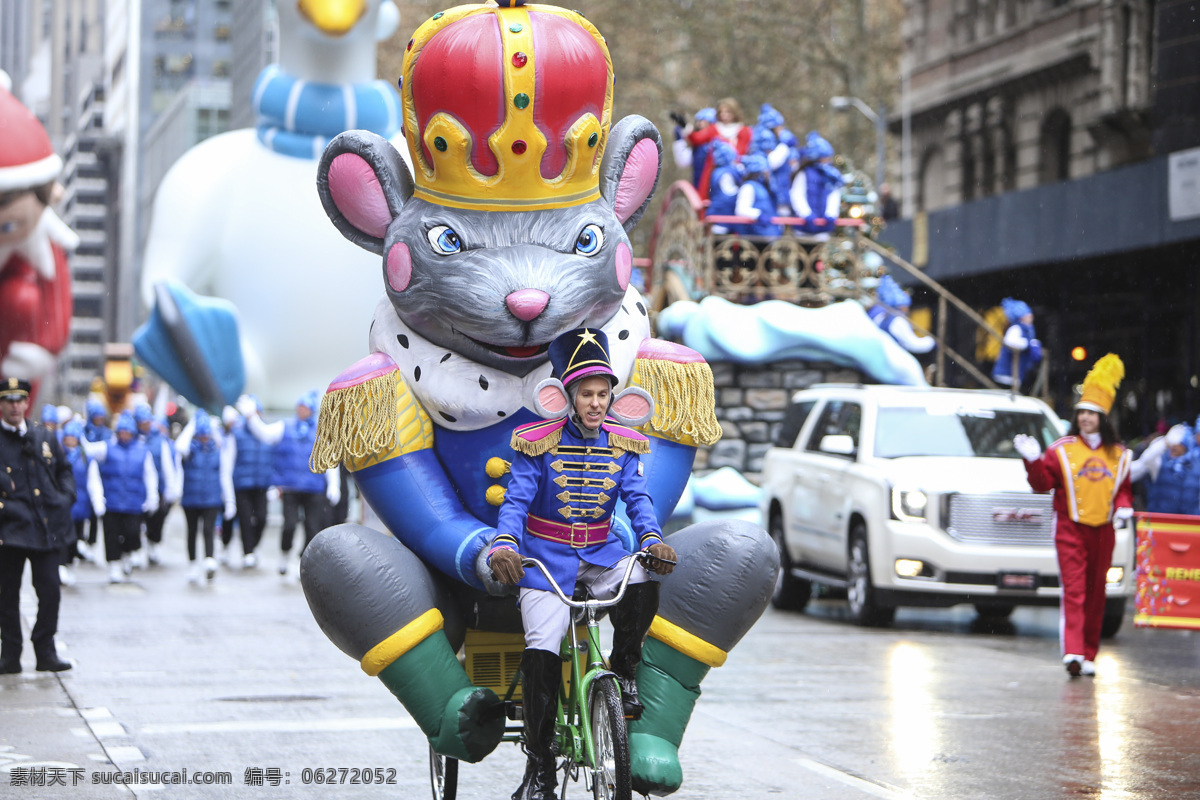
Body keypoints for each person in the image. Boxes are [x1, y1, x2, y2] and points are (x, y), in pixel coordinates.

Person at [487, 328, 677, 800]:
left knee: (641, 579)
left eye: (603, 394)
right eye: (586, 394)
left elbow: (637, 498)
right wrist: (505, 544)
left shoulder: (624, 442)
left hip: (600, 554)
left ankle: (625, 672)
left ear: (613, 396)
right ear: (568, 396)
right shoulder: (536, 441)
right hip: (544, 561)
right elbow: (516, 501)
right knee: (541, 649)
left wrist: (652, 538)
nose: (596, 403)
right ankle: (539, 768)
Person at [1013, 353, 1132, 678]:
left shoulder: (1118, 454)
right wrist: (1033, 461)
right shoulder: (1062, 450)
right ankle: (1074, 652)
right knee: (1075, 590)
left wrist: (1123, 507)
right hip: (1069, 528)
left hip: (1103, 532)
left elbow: (1123, 488)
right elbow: (1041, 486)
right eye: (1082, 412)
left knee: (1097, 593)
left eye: (1092, 414)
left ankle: (1090, 653)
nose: (1085, 419)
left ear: (1103, 418)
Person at [0, 82, 75, 404]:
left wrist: (45, 346)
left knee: (22, 298)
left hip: (18, 360)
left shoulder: (41, 247)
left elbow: (57, 306)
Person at [0, 377, 75, 673]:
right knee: (7, 595)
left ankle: (45, 651)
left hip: (46, 528)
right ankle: (11, 654)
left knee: (50, 592)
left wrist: (65, 497)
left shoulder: (43, 436)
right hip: (10, 530)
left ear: (27, 403)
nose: (15, 406)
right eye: (8, 400)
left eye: (19, 400)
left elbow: (64, 470)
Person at [237, 390, 340, 577]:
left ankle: (304, 562)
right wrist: (252, 417)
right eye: (299, 406)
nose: (301, 410)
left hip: (314, 487)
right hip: (290, 487)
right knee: (289, 525)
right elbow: (265, 434)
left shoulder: (321, 430)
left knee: (312, 528)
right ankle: (284, 555)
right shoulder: (285, 426)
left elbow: (330, 459)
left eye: (305, 407)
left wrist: (334, 485)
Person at [86, 412, 158, 583]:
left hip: (134, 503)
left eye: (127, 432)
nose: (124, 435)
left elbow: (150, 475)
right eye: (121, 432)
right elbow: (87, 452)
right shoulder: (107, 448)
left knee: (132, 533)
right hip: (112, 502)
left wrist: (152, 497)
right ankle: (114, 565)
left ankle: (127, 554)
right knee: (111, 535)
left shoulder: (142, 451)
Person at [176, 410, 235, 584]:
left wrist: (229, 500)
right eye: (200, 435)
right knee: (192, 531)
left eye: (206, 435)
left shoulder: (218, 451)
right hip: (190, 499)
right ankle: (193, 564)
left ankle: (209, 560)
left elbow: (225, 475)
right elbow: (179, 446)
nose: (204, 438)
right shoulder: (189, 450)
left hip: (211, 498)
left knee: (208, 530)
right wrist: (192, 425)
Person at [229, 395, 273, 569]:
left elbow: (273, 459)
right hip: (242, 484)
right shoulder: (237, 434)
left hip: (262, 484)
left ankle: (253, 546)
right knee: (245, 519)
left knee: (262, 518)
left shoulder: (266, 433)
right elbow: (230, 460)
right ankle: (247, 551)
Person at [135, 403, 179, 567]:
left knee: (157, 518)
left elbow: (168, 466)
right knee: (137, 520)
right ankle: (137, 549)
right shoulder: (134, 438)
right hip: (136, 488)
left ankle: (154, 543)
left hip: (157, 487)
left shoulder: (160, 442)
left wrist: (170, 489)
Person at [60, 420, 103, 587]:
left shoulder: (85, 457)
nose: (70, 440)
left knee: (76, 538)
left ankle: (70, 563)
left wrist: (98, 502)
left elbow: (93, 481)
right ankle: (61, 565)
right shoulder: (59, 455)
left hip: (80, 505)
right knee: (63, 537)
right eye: (67, 437)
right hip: (63, 506)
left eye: (73, 437)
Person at [685, 97, 752, 199]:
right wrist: (686, 127)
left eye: (727, 112)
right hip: (714, 168)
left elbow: (741, 151)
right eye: (721, 112)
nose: (724, 115)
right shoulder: (714, 129)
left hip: (737, 168)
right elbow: (696, 139)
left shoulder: (744, 130)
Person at [1134, 424, 1199, 515]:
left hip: (1189, 523)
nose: (1173, 446)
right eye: (1172, 443)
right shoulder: (1159, 462)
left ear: (1186, 446)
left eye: (1179, 443)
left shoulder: (1195, 464)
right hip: (1161, 522)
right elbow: (1145, 460)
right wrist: (1165, 441)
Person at [790, 131, 844, 239]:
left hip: (823, 229)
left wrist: (831, 214)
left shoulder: (831, 174)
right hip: (803, 228)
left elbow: (834, 194)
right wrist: (805, 214)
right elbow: (797, 194)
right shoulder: (804, 173)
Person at [869, 275, 936, 354]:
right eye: (905, 306)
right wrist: (932, 342)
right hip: (891, 358)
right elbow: (913, 344)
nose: (907, 309)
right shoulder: (897, 321)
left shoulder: (882, 317)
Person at [991, 298, 1043, 394]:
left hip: (1016, 374)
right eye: (1028, 315)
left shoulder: (1028, 330)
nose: (1031, 317)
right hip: (1007, 374)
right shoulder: (1016, 328)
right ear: (1021, 317)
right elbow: (1011, 342)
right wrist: (1028, 344)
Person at [731, 154, 783, 238]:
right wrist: (759, 215)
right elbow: (741, 209)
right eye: (766, 171)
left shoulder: (763, 187)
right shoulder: (748, 187)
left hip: (768, 234)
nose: (768, 174)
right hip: (756, 235)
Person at [669, 107, 716, 189]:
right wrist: (679, 141)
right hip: (698, 188)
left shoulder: (720, 143)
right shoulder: (698, 146)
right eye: (698, 122)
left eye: (703, 121)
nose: (699, 124)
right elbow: (683, 162)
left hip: (715, 189)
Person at [705, 141, 742, 234]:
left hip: (719, 216)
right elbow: (728, 195)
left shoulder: (717, 172)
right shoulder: (726, 174)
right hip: (722, 218)